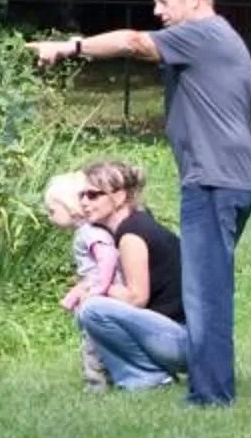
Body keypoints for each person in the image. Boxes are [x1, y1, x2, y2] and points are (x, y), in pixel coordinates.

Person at [33, 0, 251, 406]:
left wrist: (70, 46)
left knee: (206, 295)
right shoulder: (213, 38)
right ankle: (202, 386)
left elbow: (134, 42)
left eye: (162, 0)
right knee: (206, 290)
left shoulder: (203, 33)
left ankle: (211, 397)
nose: (157, 11)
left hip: (213, 182)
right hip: (222, 179)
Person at [58, 162, 185, 391]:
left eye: (93, 195)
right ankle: (143, 373)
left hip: (182, 341)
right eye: (82, 195)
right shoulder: (135, 223)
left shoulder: (132, 235)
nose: (85, 202)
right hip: (176, 336)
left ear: (119, 197)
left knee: (93, 309)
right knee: (94, 307)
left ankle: (148, 376)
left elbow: (136, 298)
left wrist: (96, 288)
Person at [41, 171, 122, 387]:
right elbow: (91, 271)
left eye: (52, 211)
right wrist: (74, 294)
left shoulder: (89, 233)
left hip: (104, 297)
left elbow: (108, 258)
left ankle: (96, 383)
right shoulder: (87, 231)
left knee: (93, 343)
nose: (49, 216)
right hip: (100, 293)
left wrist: (98, 290)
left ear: (69, 207)